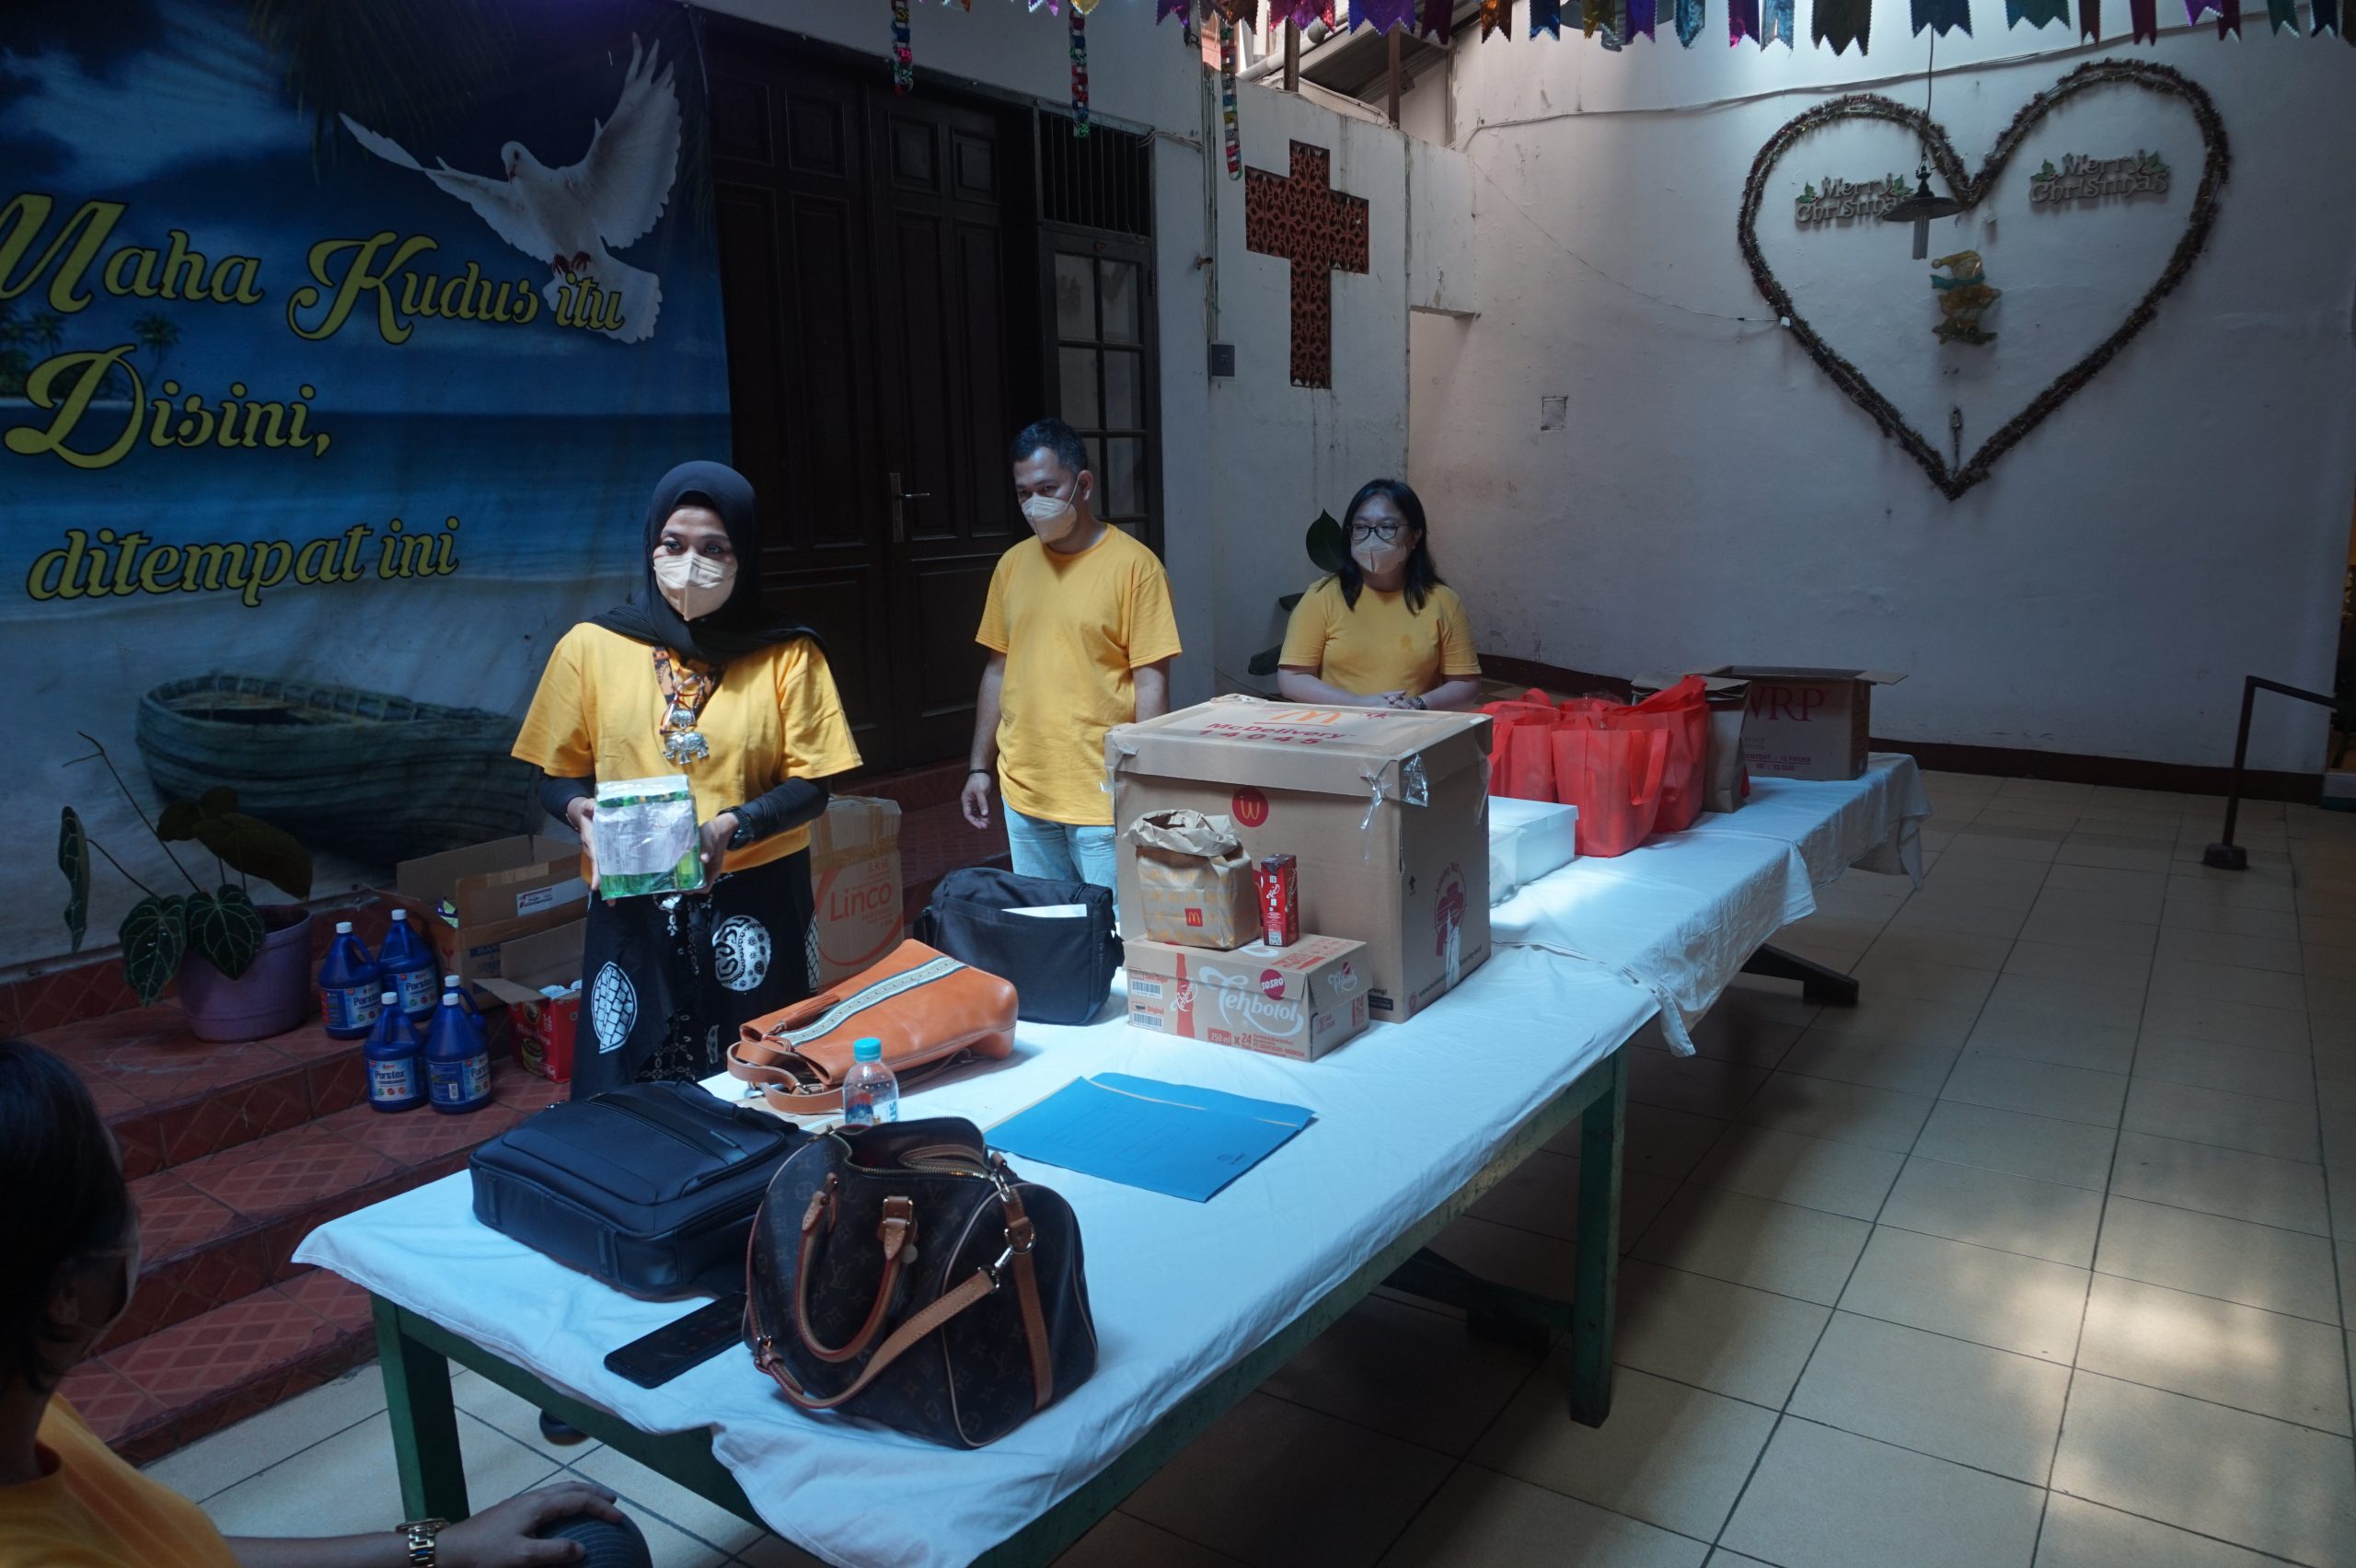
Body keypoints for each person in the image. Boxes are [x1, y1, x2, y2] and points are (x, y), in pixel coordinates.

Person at [0, 1038, 629, 1567]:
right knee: (597, 1547)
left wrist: (437, 1547)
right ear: (67, 1294)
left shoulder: (28, 1407)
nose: (140, 1215)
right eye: (120, 1189)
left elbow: (183, 1551)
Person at [514, 461, 860, 1098]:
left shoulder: (787, 653)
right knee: (631, 1089)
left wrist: (732, 826)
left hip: (755, 900)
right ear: (651, 545)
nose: (690, 564)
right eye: (673, 545)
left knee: (760, 1084)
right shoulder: (590, 647)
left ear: (744, 556)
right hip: (631, 902)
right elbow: (555, 777)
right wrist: (578, 813)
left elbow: (814, 787)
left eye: (714, 549)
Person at [962, 419, 1182, 894]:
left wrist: (1143, 783)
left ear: (1083, 485)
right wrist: (980, 766)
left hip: (1101, 795)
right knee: (1050, 926)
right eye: (1023, 493)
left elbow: (1151, 681)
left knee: (1113, 928)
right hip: (1024, 790)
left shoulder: (1136, 568)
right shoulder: (1012, 566)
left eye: (1047, 489)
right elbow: (997, 670)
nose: (1034, 504)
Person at [1276, 478, 1482, 712]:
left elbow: (1466, 684)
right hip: (1340, 724)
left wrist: (1417, 705)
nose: (1372, 538)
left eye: (1387, 527)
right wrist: (1361, 704)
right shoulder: (1321, 597)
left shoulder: (1444, 601)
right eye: (1361, 527)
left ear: (1414, 536)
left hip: (1413, 725)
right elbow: (1292, 678)